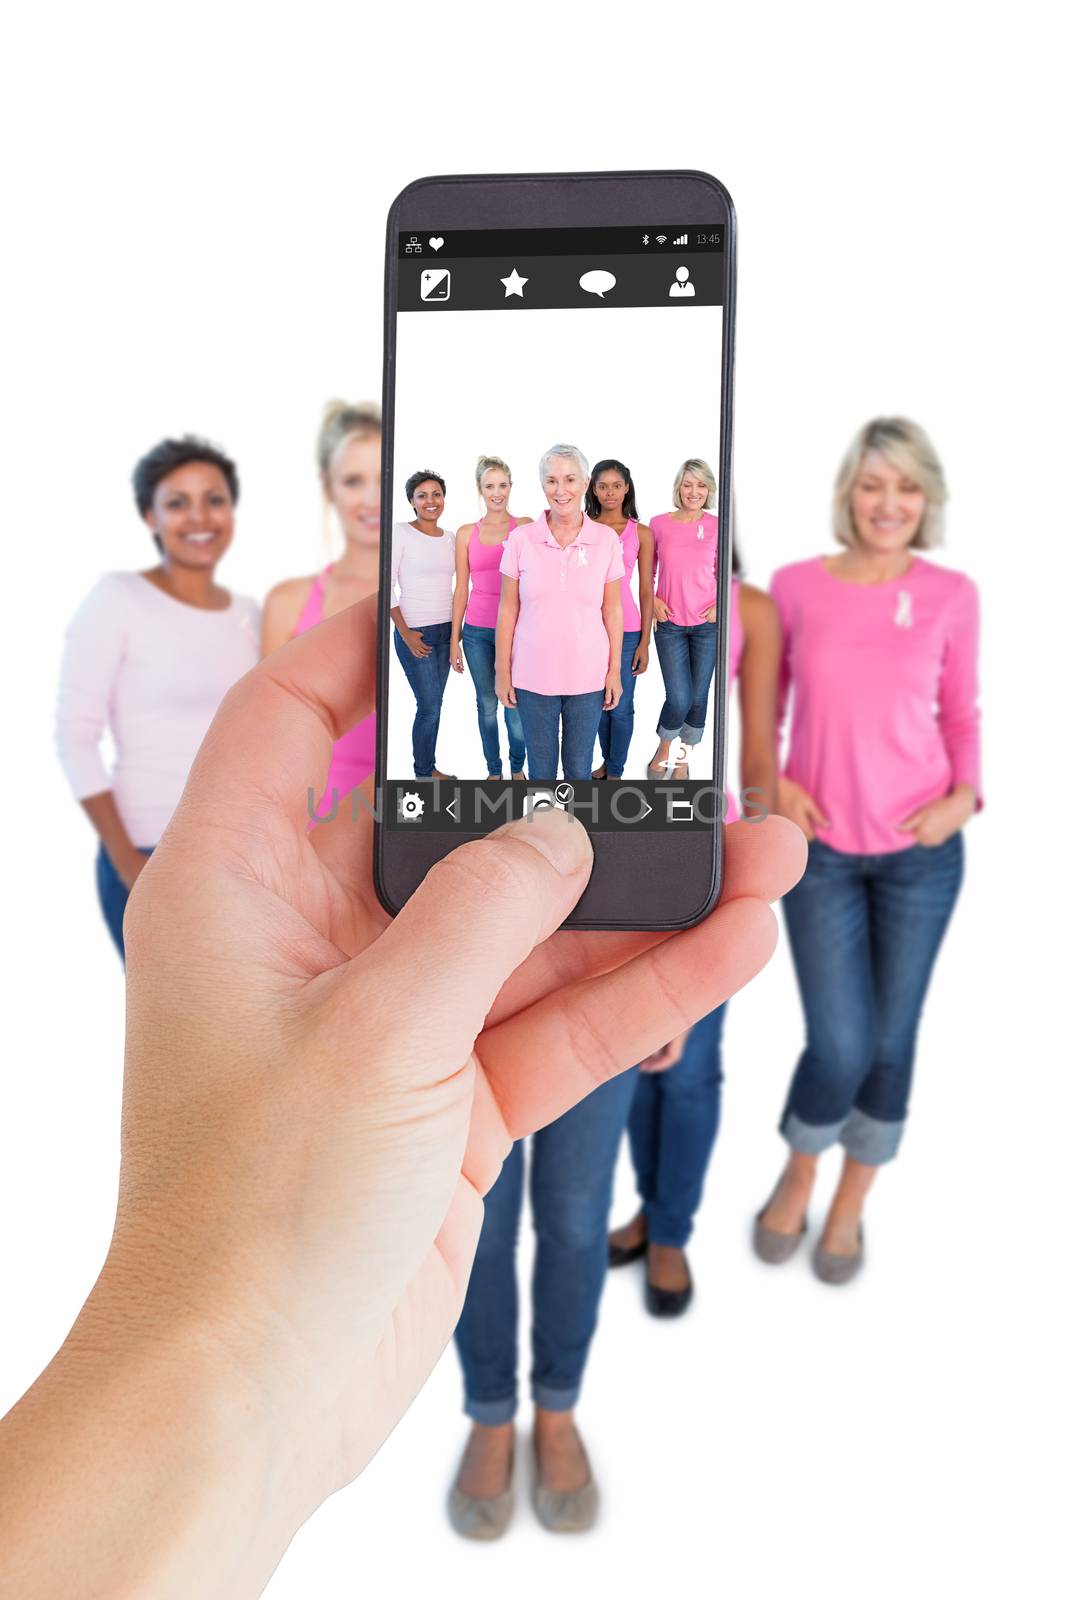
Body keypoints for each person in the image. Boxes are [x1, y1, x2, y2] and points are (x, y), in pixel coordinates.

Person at [0, 592, 805, 1593]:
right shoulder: (471, 627)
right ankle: (488, 1412)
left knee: (568, 1215)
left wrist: (670, 962)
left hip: (592, 965)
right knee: (450, 1218)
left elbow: (685, 784)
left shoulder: (635, 642)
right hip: (424, 956)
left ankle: (555, 1403)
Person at [754, 417, 981, 1284]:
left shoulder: (951, 593)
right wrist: (769, 786)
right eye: (874, 484)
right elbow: (764, 708)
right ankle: (801, 1164)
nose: (889, 503)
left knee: (890, 1040)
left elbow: (960, 712)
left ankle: (850, 1198)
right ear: (849, 490)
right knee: (840, 1041)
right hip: (819, 854)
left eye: (907, 487)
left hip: (922, 855)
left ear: (926, 499)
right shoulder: (794, 586)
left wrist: (963, 798)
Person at [610, 556, 781, 1312]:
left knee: (690, 1059)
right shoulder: (612, 571)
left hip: (707, 842)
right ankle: (650, 1207)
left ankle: (672, 1228)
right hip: (613, 838)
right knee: (628, 1047)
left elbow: (755, 744)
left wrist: (756, 860)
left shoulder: (751, 607)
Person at [55, 435, 259, 961]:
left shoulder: (248, 614)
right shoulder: (117, 599)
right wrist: (127, 862)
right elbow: (75, 737)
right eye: (177, 502)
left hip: (231, 855)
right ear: (150, 515)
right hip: (146, 847)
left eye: (214, 499)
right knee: (174, 1029)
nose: (200, 517)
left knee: (230, 1029)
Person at [261, 400, 381, 813]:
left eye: (383, 477)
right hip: (306, 828)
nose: (370, 498)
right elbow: (266, 743)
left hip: (404, 829)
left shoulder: (433, 600)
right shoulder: (287, 604)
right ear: (328, 487)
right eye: (352, 481)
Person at [496, 445, 623, 782]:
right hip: (532, 675)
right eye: (551, 481)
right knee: (541, 771)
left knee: (578, 771)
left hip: (588, 675)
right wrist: (502, 671)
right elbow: (508, 608)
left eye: (569, 479)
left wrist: (614, 672)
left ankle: (573, 834)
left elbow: (612, 609)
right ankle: (541, 832)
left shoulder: (606, 540)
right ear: (542, 487)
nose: (560, 490)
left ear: (584, 484)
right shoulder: (521, 539)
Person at [450, 455, 531, 778]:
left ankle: (516, 768)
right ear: (479, 490)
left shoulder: (524, 527)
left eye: (502, 485)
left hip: (517, 630)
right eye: (489, 486)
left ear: (510, 487)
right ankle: (493, 770)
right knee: (486, 704)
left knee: (514, 704)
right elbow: (461, 588)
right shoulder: (466, 533)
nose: (497, 492)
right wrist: (455, 639)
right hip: (477, 633)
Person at [646, 457, 720, 780]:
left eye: (701, 485)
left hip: (707, 625)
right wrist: (654, 602)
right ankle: (665, 746)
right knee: (679, 697)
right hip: (671, 624)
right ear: (679, 487)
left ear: (709, 490)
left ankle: (684, 758)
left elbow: (729, 572)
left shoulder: (719, 525)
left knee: (699, 697)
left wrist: (721, 603)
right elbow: (645, 573)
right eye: (688, 484)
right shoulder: (659, 524)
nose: (694, 491)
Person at [584, 459, 654, 778]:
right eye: (602, 486)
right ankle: (606, 762)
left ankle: (615, 770)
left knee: (621, 704)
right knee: (597, 703)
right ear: (593, 490)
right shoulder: (581, 526)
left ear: (627, 488)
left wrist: (644, 643)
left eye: (616, 485)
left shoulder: (641, 533)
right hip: (587, 627)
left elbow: (645, 590)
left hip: (627, 629)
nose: (609, 492)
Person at [390, 469, 455, 778]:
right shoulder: (400, 532)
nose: (431, 501)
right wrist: (405, 634)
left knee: (435, 704)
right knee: (428, 706)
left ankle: (429, 768)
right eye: (423, 496)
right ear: (411, 502)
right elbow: (386, 585)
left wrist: (455, 635)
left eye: (436, 494)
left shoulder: (450, 538)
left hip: (446, 630)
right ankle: (423, 773)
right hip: (416, 630)